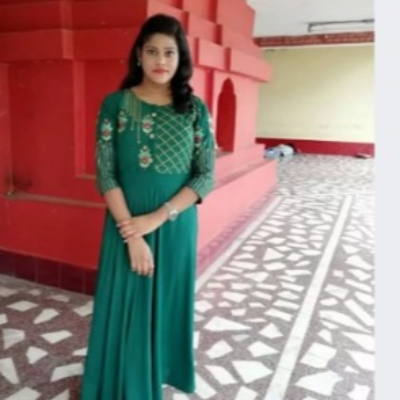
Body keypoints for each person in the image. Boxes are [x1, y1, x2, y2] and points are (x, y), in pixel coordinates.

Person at [80, 13, 216, 400]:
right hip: (124, 224)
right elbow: (106, 174)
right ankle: (117, 384)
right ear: (138, 55)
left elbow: (205, 175)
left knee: (166, 305)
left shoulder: (194, 109)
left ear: (181, 58)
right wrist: (133, 233)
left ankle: (153, 379)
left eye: (170, 52)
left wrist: (156, 219)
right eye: (152, 51)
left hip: (174, 225)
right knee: (125, 305)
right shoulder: (116, 105)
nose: (161, 60)